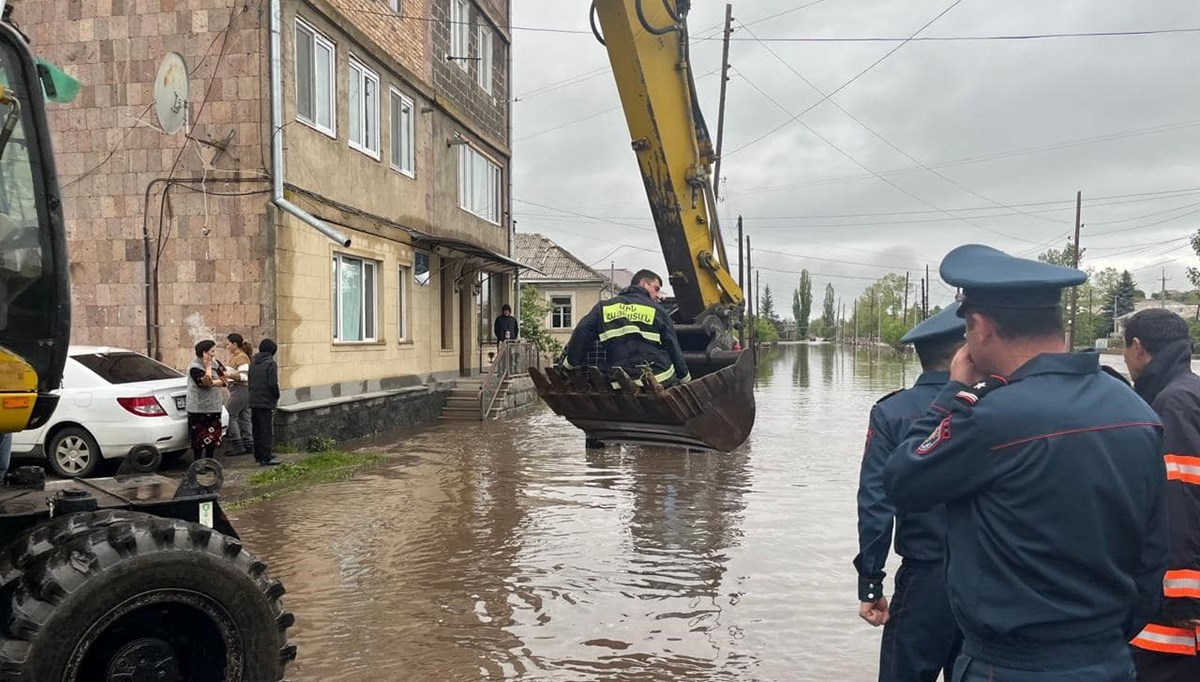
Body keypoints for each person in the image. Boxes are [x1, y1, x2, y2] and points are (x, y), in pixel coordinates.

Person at [883, 244, 1168, 682]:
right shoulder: (1136, 410)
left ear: (979, 327)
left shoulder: (991, 419)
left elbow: (904, 481)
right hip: (1108, 659)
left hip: (1010, 664)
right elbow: (1153, 555)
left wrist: (952, 393)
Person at [855, 303, 966, 682]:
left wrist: (870, 583)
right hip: (990, 579)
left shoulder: (893, 412)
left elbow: (875, 503)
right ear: (964, 352)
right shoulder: (997, 406)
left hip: (925, 579)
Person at [1122, 309, 1200, 679]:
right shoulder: (1190, 390)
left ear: (1137, 347)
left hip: (1176, 608)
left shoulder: (1172, 402)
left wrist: (1183, 595)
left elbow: (1180, 492)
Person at [561, 269, 690, 387]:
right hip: (659, 378)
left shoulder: (603, 308)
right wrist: (686, 380)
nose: (658, 295)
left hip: (619, 381)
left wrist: (569, 364)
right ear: (644, 283)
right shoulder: (658, 310)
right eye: (656, 289)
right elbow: (673, 347)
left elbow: (582, 332)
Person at [187, 340, 228, 460]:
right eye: (212, 351)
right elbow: (204, 383)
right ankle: (198, 463)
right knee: (199, 439)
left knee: (213, 437)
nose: (214, 354)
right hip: (198, 408)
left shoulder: (216, 363)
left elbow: (225, 379)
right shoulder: (194, 366)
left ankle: (210, 461)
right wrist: (208, 367)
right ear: (204, 352)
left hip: (214, 406)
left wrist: (214, 382)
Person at [248, 338, 282, 467]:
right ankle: (266, 457)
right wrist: (276, 396)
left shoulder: (253, 362)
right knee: (266, 430)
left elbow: (250, 381)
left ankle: (258, 455)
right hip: (266, 400)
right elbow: (272, 383)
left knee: (256, 429)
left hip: (253, 399)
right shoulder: (270, 364)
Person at [223, 333, 255, 456]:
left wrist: (227, 375)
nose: (227, 346)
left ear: (234, 344)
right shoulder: (239, 357)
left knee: (230, 415)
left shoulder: (241, 357)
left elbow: (243, 376)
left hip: (239, 389)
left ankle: (237, 444)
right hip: (242, 390)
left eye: (228, 344)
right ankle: (248, 443)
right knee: (245, 416)